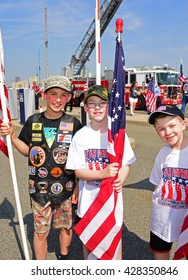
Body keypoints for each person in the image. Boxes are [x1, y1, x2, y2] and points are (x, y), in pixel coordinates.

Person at [0, 75, 82, 260]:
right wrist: (13, 137)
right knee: (40, 231)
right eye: (53, 94)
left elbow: (80, 158)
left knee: (65, 226)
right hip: (39, 187)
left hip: (66, 187)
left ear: (69, 98)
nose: (58, 99)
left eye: (63, 95)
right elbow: (27, 151)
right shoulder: (33, 120)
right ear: (44, 95)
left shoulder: (74, 123)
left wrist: (77, 185)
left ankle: (63, 256)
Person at [65, 85, 136, 260]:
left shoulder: (118, 134)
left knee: (113, 245)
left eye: (102, 103)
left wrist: (121, 178)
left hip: (111, 202)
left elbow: (126, 163)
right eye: (92, 103)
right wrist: (102, 174)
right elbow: (79, 171)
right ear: (86, 107)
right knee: (89, 245)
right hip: (89, 203)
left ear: (109, 106)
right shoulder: (81, 136)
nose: (97, 107)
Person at [147, 105, 188, 260]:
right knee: (160, 251)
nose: (168, 132)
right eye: (161, 129)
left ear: (183, 125)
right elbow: (157, 183)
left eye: (172, 125)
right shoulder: (163, 153)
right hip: (163, 216)